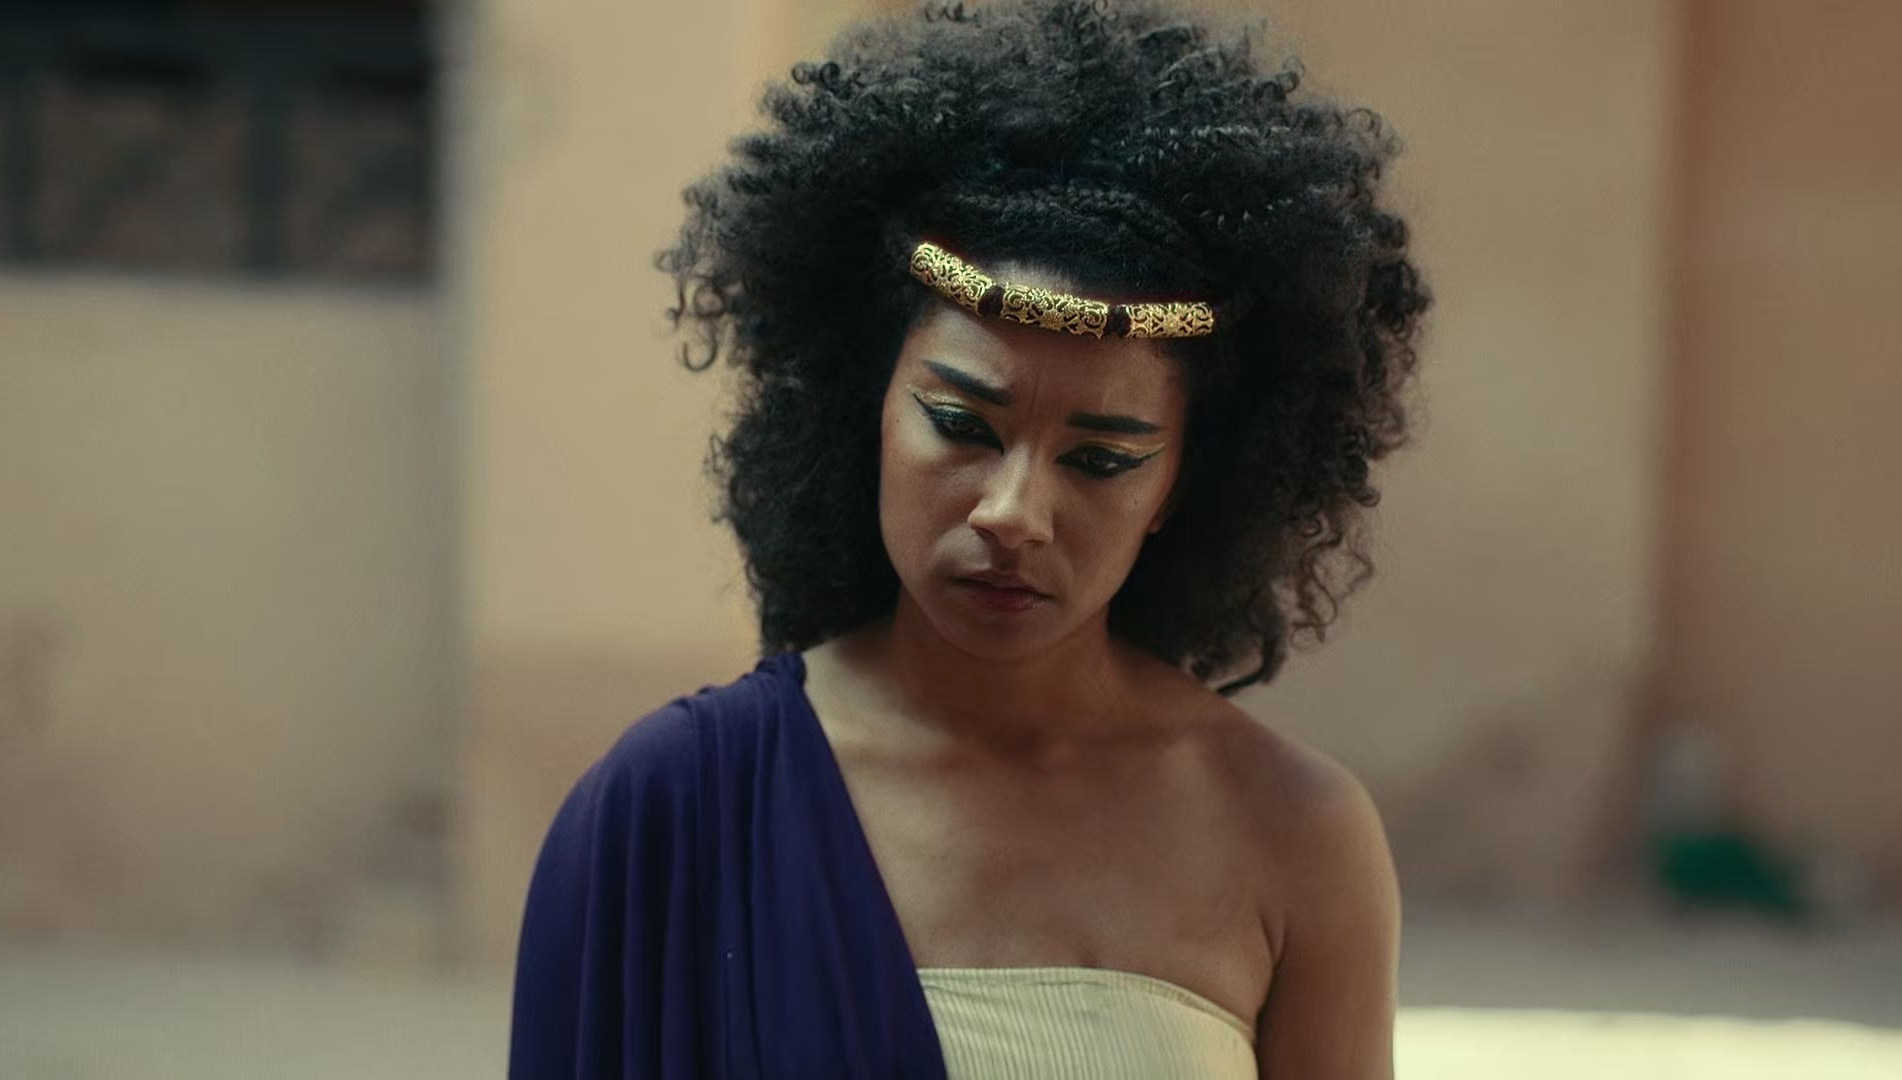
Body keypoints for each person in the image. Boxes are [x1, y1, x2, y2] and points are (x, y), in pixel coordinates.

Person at [509, 1, 1429, 1076]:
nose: (1013, 512)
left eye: (1101, 460)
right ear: (868, 410)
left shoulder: (1296, 834)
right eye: (959, 425)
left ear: (1182, 485)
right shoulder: (670, 811)